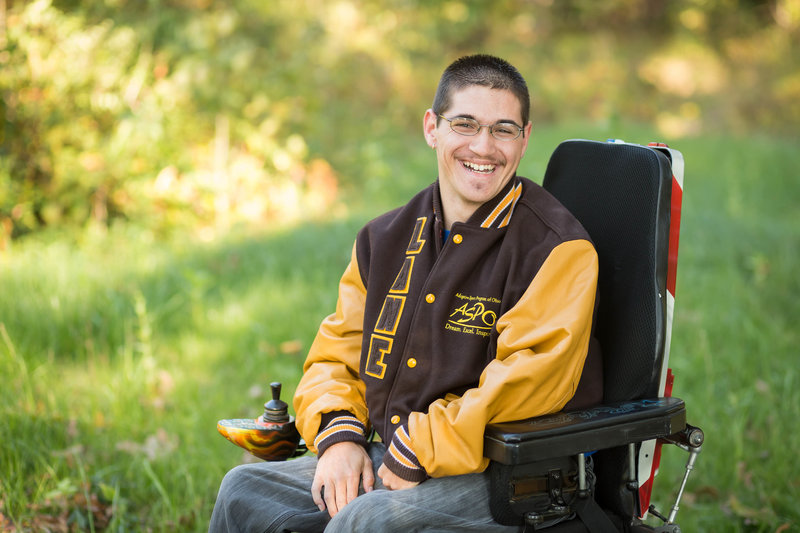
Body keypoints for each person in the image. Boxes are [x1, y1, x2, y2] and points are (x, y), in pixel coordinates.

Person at [209, 54, 602, 533]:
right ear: (431, 128)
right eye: (465, 124)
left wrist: (419, 448)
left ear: (524, 139)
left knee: (365, 520)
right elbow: (338, 357)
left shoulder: (558, 250)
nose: (484, 145)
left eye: (503, 129)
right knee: (244, 490)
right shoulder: (383, 239)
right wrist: (340, 440)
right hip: (397, 451)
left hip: (508, 476)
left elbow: (527, 383)